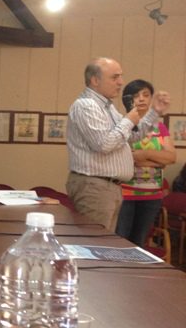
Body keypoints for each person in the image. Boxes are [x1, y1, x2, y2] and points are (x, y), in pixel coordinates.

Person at [66, 58, 170, 231]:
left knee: (104, 242)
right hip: (95, 186)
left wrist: (155, 112)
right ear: (95, 80)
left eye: (121, 76)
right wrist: (128, 120)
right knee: (94, 241)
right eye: (115, 77)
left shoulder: (107, 107)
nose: (121, 82)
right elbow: (104, 144)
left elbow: (131, 137)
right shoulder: (86, 106)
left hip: (108, 187)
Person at [115, 79, 176, 247]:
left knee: (139, 243)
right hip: (124, 194)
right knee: (120, 240)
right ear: (128, 100)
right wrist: (158, 160)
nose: (141, 99)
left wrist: (145, 154)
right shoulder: (123, 125)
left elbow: (171, 157)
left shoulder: (160, 128)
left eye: (146, 95)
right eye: (136, 95)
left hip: (152, 195)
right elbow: (127, 158)